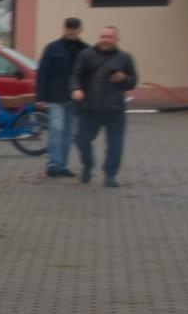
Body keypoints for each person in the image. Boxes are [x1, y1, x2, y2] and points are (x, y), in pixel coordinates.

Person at [69, 25, 137, 187]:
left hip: (115, 109)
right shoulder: (86, 55)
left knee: (115, 145)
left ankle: (110, 175)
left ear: (116, 39)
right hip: (90, 108)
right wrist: (76, 89)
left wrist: (123, 79)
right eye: (103, 36)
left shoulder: (125, 58)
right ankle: (88, 165)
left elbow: (132, 82)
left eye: (109, 37)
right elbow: (75, 75)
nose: (106, 40)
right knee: (81, 140)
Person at [35, 18, 88, 178]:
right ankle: (53, 164)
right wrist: (40, 97)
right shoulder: (52, 48)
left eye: (74, 28)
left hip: (75, 98)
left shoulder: (86, 50)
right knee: (56, 129)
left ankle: (63, 165)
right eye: (68, 28)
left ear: (80, 30)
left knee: (69, 133)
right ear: (63, 29)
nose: (71, 31)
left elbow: (89, 76)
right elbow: (42, 73)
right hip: (55, 97)